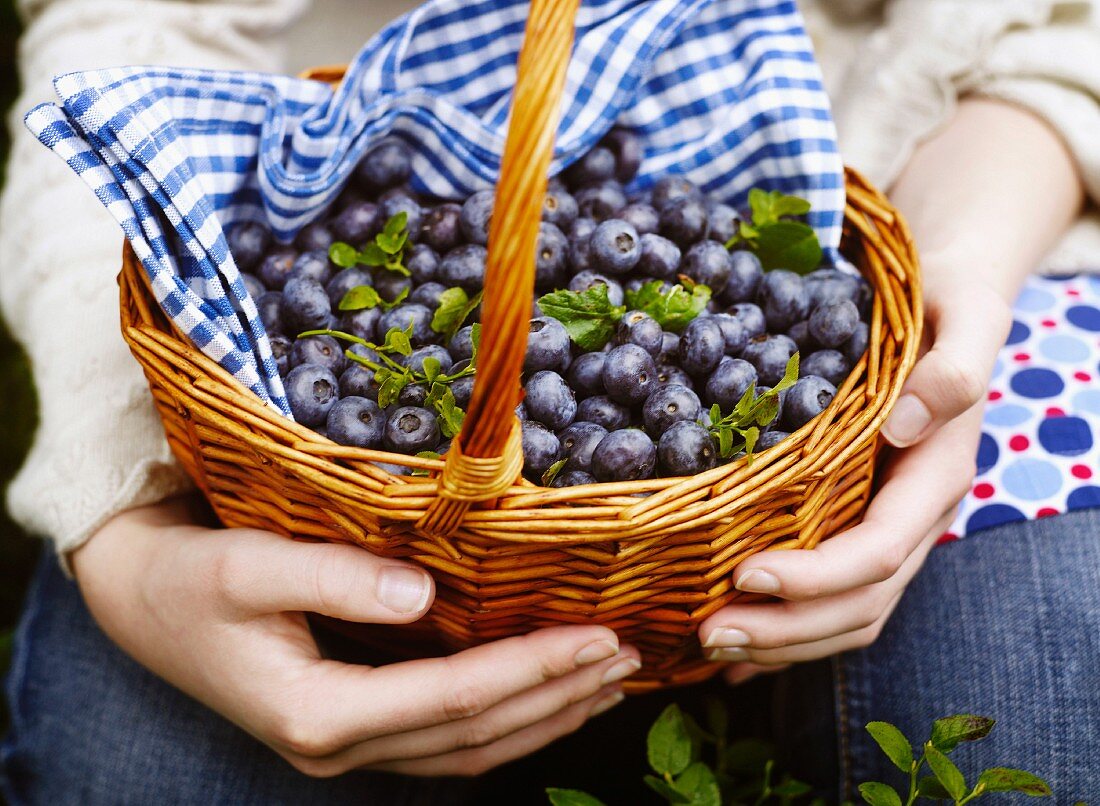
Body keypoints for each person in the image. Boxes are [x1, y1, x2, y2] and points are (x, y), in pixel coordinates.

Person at [1, 0, 1097, 802]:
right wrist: (124, 520)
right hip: (331, 248)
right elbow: (127, 40)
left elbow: (1054, 33)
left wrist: (959, 280)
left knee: (1041, 734)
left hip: (933, 188)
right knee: (132, 771)